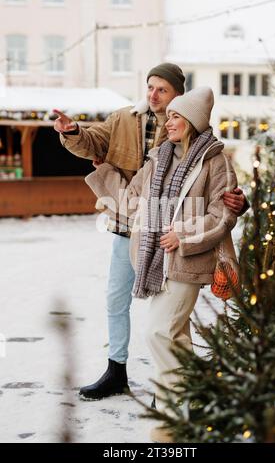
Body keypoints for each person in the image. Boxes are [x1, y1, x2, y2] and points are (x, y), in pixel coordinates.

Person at [53, 63, 248, 401]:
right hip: (135, 229)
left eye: (162, 90)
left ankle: (174, 387)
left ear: (180, 101)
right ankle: (123, 373)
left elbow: (220, 198)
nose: (153, 95)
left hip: (178, 241)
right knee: (124, 302)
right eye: (150, 87)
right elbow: (94, 143)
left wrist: (235, 203)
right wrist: (73, 133)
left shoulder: (203, 147)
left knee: (167, 322)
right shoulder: (128, 122)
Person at [85, 86, 239, 443]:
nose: (168, 122)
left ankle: (168, 423)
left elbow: (223, 214)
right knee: (176, 338)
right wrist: (103, 173)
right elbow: (130, 202)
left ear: (192, 121)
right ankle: (197, 397)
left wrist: (183, 237)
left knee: (157, 331)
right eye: (167, 116)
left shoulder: (215, 161)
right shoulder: (157, 159)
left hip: (189, 261)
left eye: (175, 116)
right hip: (156, 262)